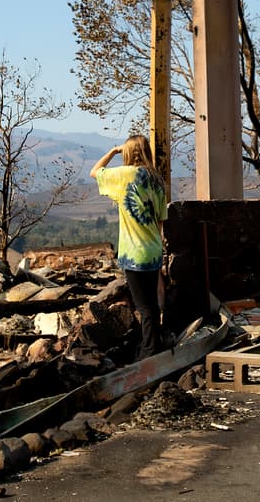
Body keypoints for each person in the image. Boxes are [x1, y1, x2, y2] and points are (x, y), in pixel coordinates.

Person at [90, 134, 168, 360]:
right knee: (152, 305)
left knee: (143, 307)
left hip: (134, 252)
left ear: (128, 152)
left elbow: (95, 172)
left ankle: (149, 352)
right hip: (153, 250)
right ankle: (155, 344)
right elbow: (161, 220)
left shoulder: (125, 175)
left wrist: (113, 151)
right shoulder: (157, 180)